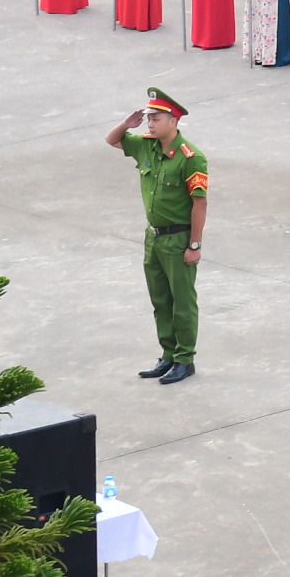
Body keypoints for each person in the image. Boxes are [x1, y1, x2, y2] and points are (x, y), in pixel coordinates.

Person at [108, 87, 207, 384]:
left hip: (178, 239)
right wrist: (127, 123)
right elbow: (111, 140)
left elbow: (200, 203)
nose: (150, 124)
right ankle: (168, 354)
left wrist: (194, 245)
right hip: (153, 239)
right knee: (161, 300)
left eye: (156, 118)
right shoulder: (147, 146)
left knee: (182, 302)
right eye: (149, 118)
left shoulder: (191, 158)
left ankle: (185, 359)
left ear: (174, 120)